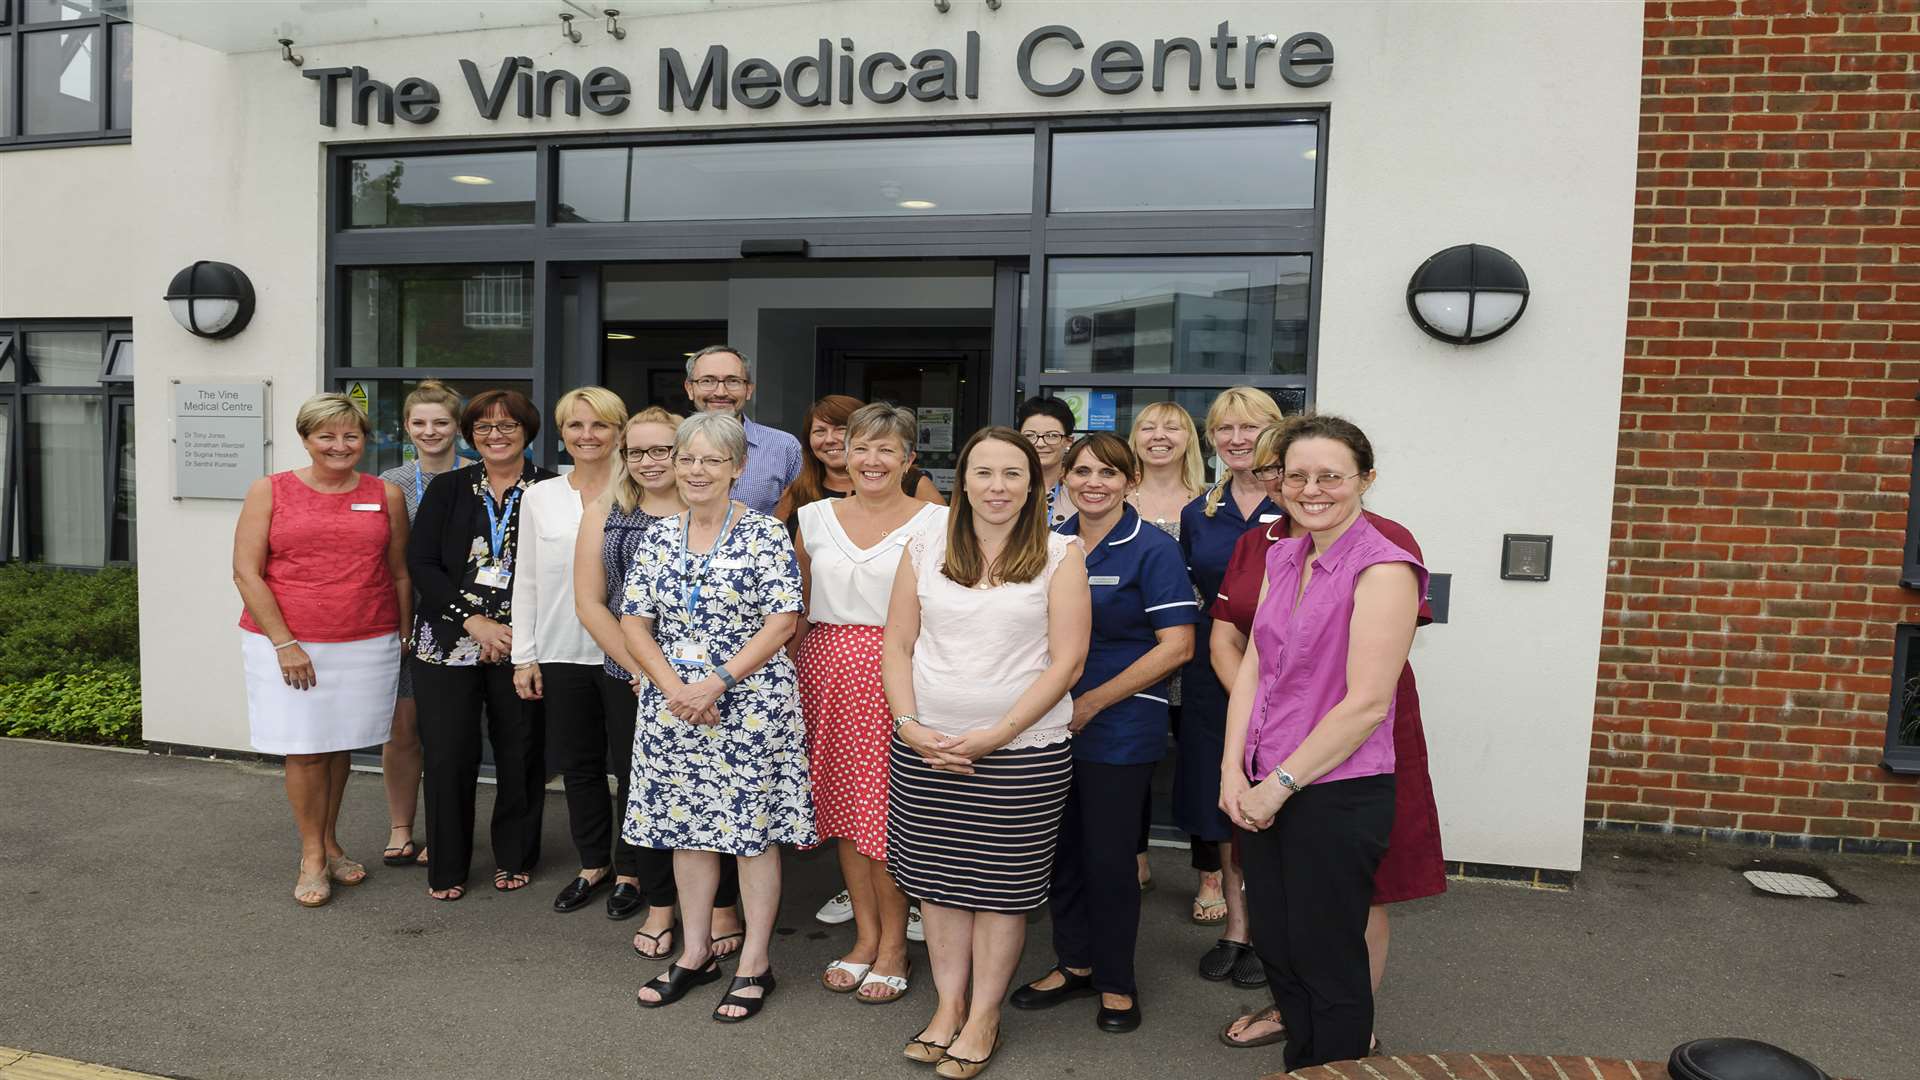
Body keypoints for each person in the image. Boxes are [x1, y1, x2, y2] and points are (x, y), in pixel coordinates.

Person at [1212, 423, 1445, 1054]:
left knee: (1328, 960)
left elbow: (1368, 702)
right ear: (1278, 481)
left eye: (1331, 476)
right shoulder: (1285, 555)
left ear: (1365, 479)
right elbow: (1255, 668)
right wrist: (1235, 771)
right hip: (1264, 784)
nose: (1312, 490)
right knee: (1282, 950)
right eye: (1297, 476)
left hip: (1333, 789)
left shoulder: (1385, 567)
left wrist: (1279, 785)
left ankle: (1341, 1064)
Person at [883, 427, 1090, 1079]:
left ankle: (985, 1016)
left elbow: (1069, 662)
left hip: (1021, 755)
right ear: (962, 480)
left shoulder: (1062, 554)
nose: (997, 487)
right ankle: (948, 1008)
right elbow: (896, 644)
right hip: (926, 749)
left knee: (999, 893)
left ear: (1034, 484)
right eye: (983, 473)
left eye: (1011, 474)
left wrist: (997, 734)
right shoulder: (923, 543)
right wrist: (910, 725)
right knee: (940, 889)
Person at [622, 411, 815, 1022]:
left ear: (736, 468)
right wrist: (675, 686)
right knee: (686, 831)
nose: (696, 470)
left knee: (752, 836)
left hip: (749, 705)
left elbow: (782, 622)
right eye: (687, 458)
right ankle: (697, 951)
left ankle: (755, 960)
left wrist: (716, 683)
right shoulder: (656, 534)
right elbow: (633, 621)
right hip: (673, 703)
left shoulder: (764, 534)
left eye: (712, 460)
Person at [1011, 434, 1197, 1034]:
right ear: (1063, 477)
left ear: (1130, 478)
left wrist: (1091, 701)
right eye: (1082, 470)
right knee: (1059, 851)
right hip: (1043, 718)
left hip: (1118, 720)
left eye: (1109, 472)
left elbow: (1178, 646)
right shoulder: (1045, 543)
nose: (1094, 482)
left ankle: (1118, 981)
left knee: (1110, 857)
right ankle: (1075, 963)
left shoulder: (1153, 550)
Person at [792, 403, 946, 1003]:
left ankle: (893, 948)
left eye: (887, 449)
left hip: (902, 675)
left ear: (909, 459)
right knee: (847, 820)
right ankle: (865, 937)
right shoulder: (813, 516)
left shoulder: (938, 521)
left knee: (887, 817)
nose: (872, 460)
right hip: (826, 675)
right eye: (861, 447)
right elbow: (798, 611)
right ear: (843, 456)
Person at [232, 393, 411, 907]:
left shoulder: (385, 495)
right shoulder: (270, 490)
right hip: (291, 640)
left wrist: (403, 632)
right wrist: (285, 643)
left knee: (339, 746)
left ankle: (330, 843)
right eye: (326, 436)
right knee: (306, 747)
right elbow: (247, 572)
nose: (340, 445)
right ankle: (311, 855)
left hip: (367, 638)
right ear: (306, 439)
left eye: (351, 435)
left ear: (365, 440)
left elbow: (398, 570)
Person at [407, 389, 557, 901]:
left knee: (521, 752)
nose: (495, 435)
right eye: (484, 427)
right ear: (471, 434)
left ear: (528, 431)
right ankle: (447, 863)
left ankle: (515, 855)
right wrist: (474, 622)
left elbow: (555, 571)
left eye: (507, 425)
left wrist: (513, 630)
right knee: (449, 754)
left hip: (522, 642)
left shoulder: (550, 489)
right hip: (449, 640)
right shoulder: (447, 488)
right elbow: (422, 563)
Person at [510, 387, 639, 915]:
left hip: (631, 656)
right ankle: (594, 864)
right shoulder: (540, 496)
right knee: (580, 765)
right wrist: (525, 654)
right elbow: (528, 580)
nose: (588, 436)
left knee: (635, 766)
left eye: (600, 425)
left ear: (619, 431)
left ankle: (633, 869)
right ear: (561, 433)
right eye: (576, 426)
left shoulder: (640, 492)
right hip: (562, 650)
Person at [1176, 386, 1286, 985]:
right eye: (1225, 429)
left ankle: (1274, 931)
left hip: (1286, 673)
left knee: (1278, 794)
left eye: (1251, 427)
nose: (1238, 440)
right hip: (1213, 670)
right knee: (1224, 796)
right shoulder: (1202, 512)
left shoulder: (1298, 503)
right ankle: (1237, 927)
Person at [573, 407, 690, 950]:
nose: (648, 461)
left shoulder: (712, 510)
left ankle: (720, 908)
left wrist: (674, 675)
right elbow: (591, 603)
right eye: (636, 451)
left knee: (712, 793)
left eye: (661, 449)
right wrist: (646, 669)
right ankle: (661, 904)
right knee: (647, 794)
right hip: (629, 677)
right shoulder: (606, 511)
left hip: (704, 680)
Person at [376, 379, 464, 869]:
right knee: (402, 730)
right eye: (420, 422)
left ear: (456, 426)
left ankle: (443, 832)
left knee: (449, 736)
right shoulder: (390, 482)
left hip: (462, 621)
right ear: (407, 426)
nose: (430, 431)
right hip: (406, 620)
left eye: (441, 422)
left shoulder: (477, 475)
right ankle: (400, 828)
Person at [1123, 400, 1208, 898]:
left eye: (1172, 427)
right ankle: (1134, 858)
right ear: (1135, 437)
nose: (1160, 435)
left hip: (1191, 649)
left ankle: (1209, 872)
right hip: (1133, 651)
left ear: (1188, 440)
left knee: (1200, 762)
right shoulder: (1112, 493)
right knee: (1131, 763)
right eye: (1148, 426)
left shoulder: (1209, 500)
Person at [777, 394, 944, 527]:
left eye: (841, 429)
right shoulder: (797, 490)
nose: (829, 439)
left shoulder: (913, 484)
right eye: (819, 431)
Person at [683, 344, 801, 514]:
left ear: (748, 390)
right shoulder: (667, 445)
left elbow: (799, 517)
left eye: (733, 381)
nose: (721, 392)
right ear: (690, 388)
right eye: (707, 381)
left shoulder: (784, 447)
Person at [1016, 396, 1077, 528]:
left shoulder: (1080, 488)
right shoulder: (1006, 486)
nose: (1040, 443)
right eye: (1030, 436)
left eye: (1052, 436)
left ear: (1068, 441)